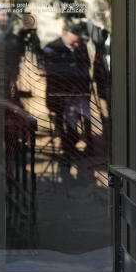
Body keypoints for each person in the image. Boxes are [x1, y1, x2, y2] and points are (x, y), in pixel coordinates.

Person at [43, 18, 92, 176]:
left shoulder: (79, 47)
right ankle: (68, 149)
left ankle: (75, 146)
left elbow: (86, 67)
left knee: (80, 118)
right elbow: (55, 72)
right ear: (66, 33)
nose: (77, 40)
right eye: (75, 35)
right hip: (60, 94)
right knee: (64, 121)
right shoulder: (52, 48)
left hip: (78, 93)